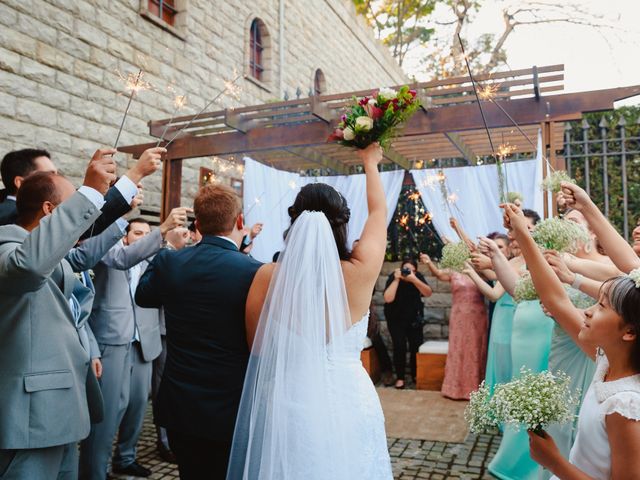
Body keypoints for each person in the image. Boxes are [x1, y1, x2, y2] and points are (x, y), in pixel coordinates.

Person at [227, 142, 392, 479]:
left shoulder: (268, 276)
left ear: (295, 219)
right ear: (342, 221)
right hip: (352, 400)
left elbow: (257, 348)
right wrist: (370, 161)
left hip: (290, 402)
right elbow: (378, 213)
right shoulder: (362, 271)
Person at [502, 192, 640, 480]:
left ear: (629, 332)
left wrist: (555, 463)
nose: (587, 312)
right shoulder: (606, 362)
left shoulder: (626, 405)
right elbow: (557, 301)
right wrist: (523, 236)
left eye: (600, 306)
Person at [0, 150, 115, 478]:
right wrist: (89, 192)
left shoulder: (56, 255)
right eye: (74, 204)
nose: (83, 216)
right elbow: (29, 267)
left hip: (63, 413)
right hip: (31, 421)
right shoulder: (8, 247)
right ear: (49, 211)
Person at [135, 183, 262, 479]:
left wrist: (167, 248)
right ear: (239, 222)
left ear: (198, 225)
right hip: (232, 404)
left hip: (182, 403)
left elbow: (144, 296)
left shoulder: (170, 261)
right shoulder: (254, 271)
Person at [79, 211, 187, 480]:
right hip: (114, 338)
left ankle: (126, 457)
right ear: (126, 237)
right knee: (112, 408)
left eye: (145, 233)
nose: (143, 237)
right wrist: (161, 232)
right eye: (138, 233)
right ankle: (97, 470)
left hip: (144, 340)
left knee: (138, 403)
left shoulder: (150, 259)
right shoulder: (111, 253)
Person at [480, 209, 555, 480]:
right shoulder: (521, 258)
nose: (515, 234)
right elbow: (515, 286)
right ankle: (518, 457)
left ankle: (537, 463)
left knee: (537, 394)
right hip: (521, 328)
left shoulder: (549, 256)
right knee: (520, 391)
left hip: (544, 330)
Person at [0, 147, 163, 238]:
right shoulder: (9, 216)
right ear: (20, 182)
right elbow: (79, 223)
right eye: (50, 174)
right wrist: (136, 173)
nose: (58, 178)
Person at [421, 253, 488, 400]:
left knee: (475, 349)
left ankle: (475, 389)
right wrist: (429, 262)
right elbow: (439, 274)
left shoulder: (481, 271)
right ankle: (454, 389)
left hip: (477, 316)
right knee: (457, 348)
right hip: (458, 315)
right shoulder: (454, 271)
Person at [383, 257, 432, 389]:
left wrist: (414, 279)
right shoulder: (393, 276)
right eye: (406, 269)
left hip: (414, 319)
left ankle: (415, 375)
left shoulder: (417, 277)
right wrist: (397, 279)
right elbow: (388, 298)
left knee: (415, 346)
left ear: (416, 271)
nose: (408, 272)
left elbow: (428, 293)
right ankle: (400, 377)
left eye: (412, 270)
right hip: (395, 318)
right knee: (399, 346)